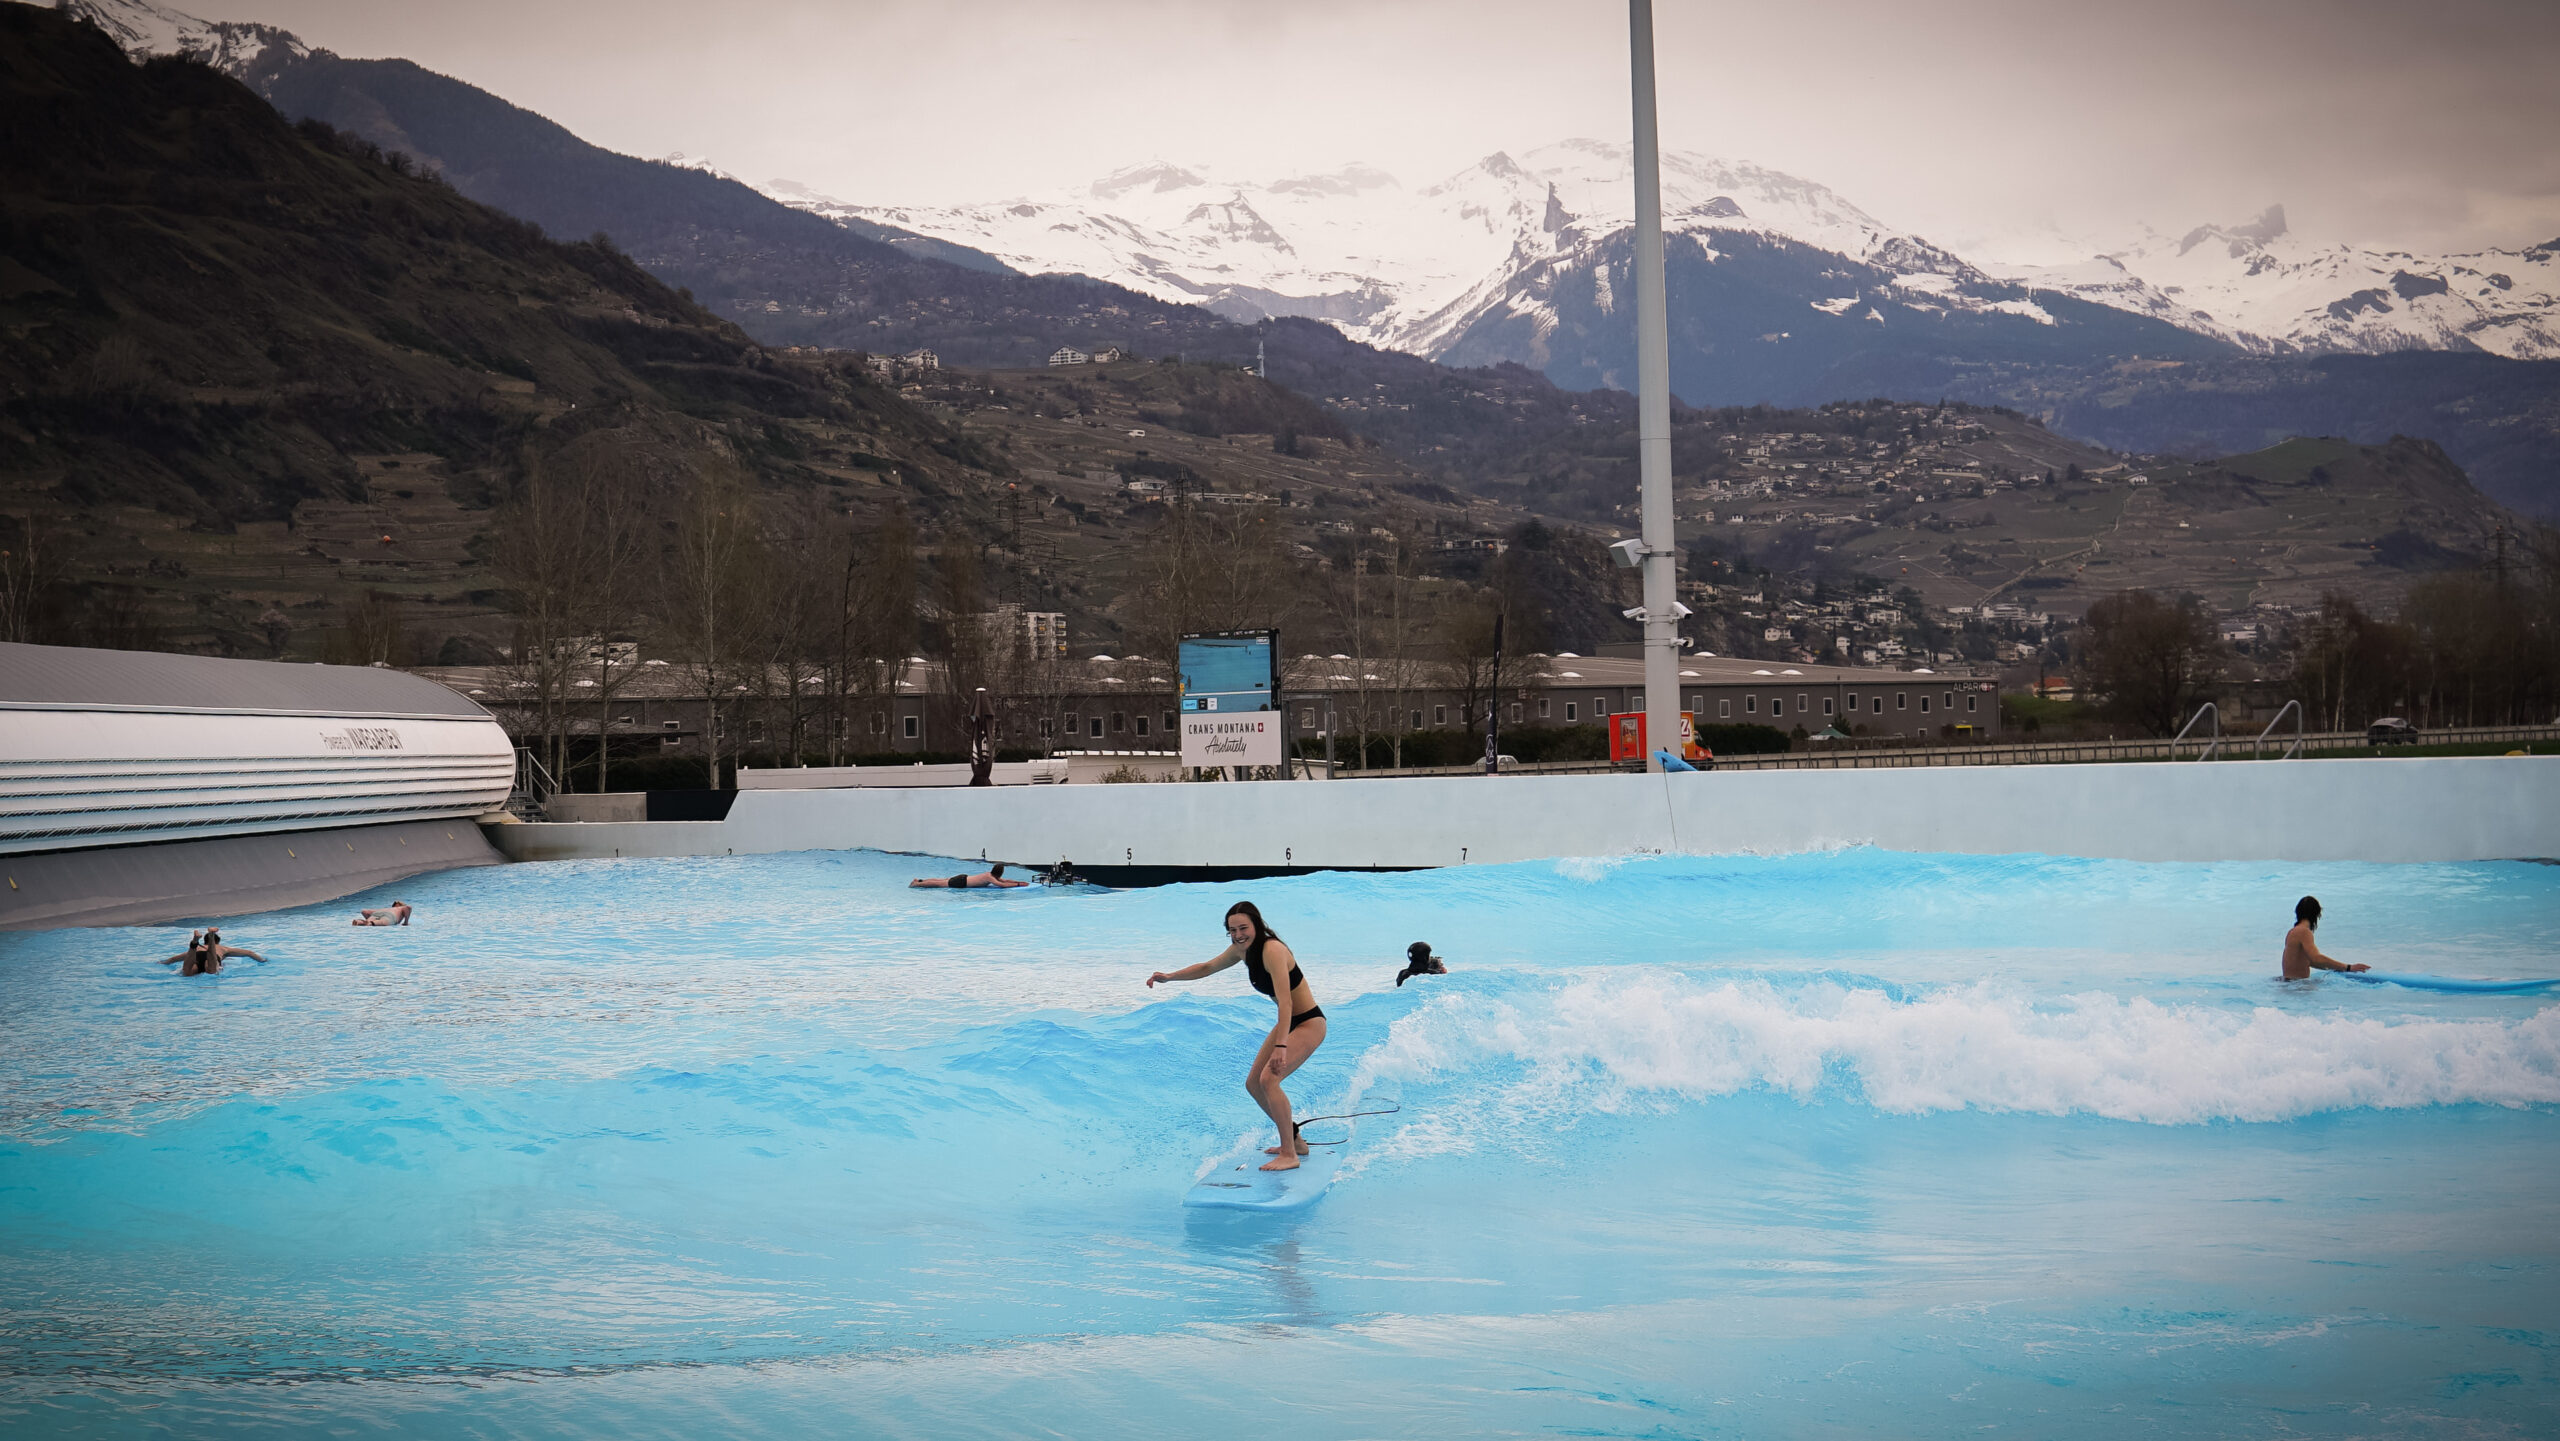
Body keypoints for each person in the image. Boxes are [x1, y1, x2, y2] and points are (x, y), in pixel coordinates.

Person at [1146, 901, 1325, 1171]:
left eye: (1244, 928)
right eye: (1232, 930)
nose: (1239, 934)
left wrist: (1281, 1045)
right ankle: (1296, 1141)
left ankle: (1290, 1154)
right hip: (1286, 1023)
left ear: (1257, 925)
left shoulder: (1273, 950)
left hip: (1308, 1022)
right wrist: (1170, 977)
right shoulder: (1241, 950)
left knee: (1269, 1080)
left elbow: (1286, 1002)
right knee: (1254, 1084)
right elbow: (1207, 967)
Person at [2281, 896, 2367, 979]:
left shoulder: (2292, 932)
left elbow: (2310, 961)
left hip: (2289, 983)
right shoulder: (2304, 931)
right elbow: (2317, 958)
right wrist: (2348, 967)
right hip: (2298, 987)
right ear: (2316, 914)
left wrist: (2339, 968)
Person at [159, 928, 266, 975]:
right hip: (212, 956)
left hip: (196, 955)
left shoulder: (199, 948)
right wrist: (262, 960)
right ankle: (211, 934)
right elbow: (249, 953)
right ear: (217, 942)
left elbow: (173, 959)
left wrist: (162, 963)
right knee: (212, 972)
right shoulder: (223, 948)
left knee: (187, 972)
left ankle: (194, 942)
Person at [910, 863, 1027, 889]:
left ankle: (920, 880)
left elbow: (1005, 881)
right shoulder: (990, 878)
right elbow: (1002, 885)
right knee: (939, 884)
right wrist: (1017, 885)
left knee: (940, 880)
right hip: (962, 882)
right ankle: (917, 884)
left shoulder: (990, 875)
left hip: (963, 878)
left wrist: (1019, 882)